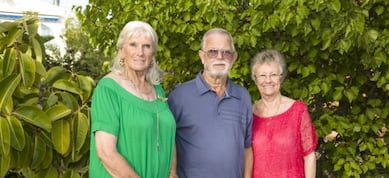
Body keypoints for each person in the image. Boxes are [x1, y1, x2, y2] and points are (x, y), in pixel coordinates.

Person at [89, 21, 176, 178]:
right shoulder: (108, 89)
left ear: (153, 54)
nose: (140, 52)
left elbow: (168, 136)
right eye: (133, 45)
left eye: (147, 46)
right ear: (122, 51)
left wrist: (172, 173)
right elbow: (106, 153)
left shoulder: (157, 90)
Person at [167, 28, 253, 178]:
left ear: (234, 57)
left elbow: (247, 147)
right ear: (202, 56)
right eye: (213, 51)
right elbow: (166, 142)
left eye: (226, 52)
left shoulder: (243, 96)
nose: (220, 57)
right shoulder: (179, 96)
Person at [248, 49, 318, 178]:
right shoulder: (249, 114)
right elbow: (245, 156)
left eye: (273, 74)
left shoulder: (298, 111)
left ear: (281, 77)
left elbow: (309, 156)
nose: (268, 80)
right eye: (262, 75)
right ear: (255, 79)